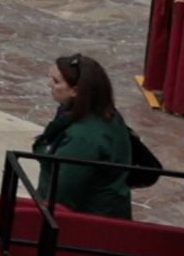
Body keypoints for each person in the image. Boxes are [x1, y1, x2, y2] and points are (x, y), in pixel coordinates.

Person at [25, 50, 158, 221]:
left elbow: (62, 198)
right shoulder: (107, 115)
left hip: (86, 224)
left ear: (75, 91)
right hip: (108, 216)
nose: (50, 85)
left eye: (56, 81)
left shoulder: (83, 138)